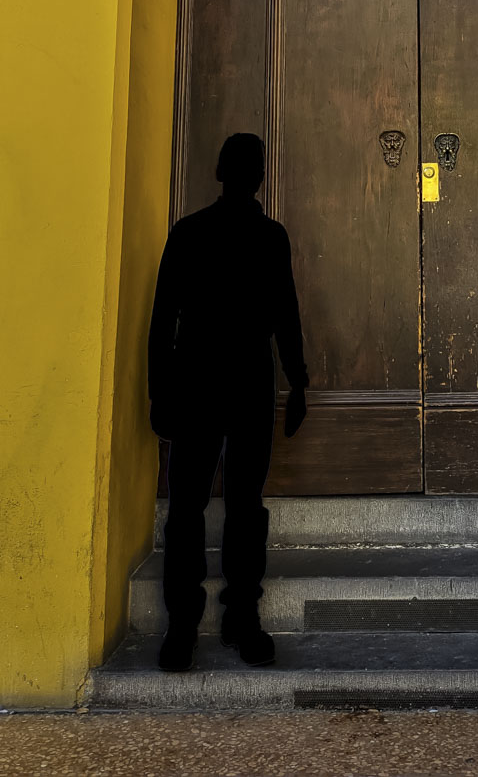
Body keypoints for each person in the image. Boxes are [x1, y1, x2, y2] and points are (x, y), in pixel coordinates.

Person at [147, 132, 309, 672]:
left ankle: (183, 627)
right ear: (261, 175)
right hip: (245, 383)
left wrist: (159, 391)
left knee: (189, 507)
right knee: (243, 505)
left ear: (219, 170)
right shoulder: (270, 236)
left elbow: (162, 323)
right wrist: (298, 382)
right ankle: (240, 619)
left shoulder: (190, 232)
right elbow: (286, 317)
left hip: (199, 380)